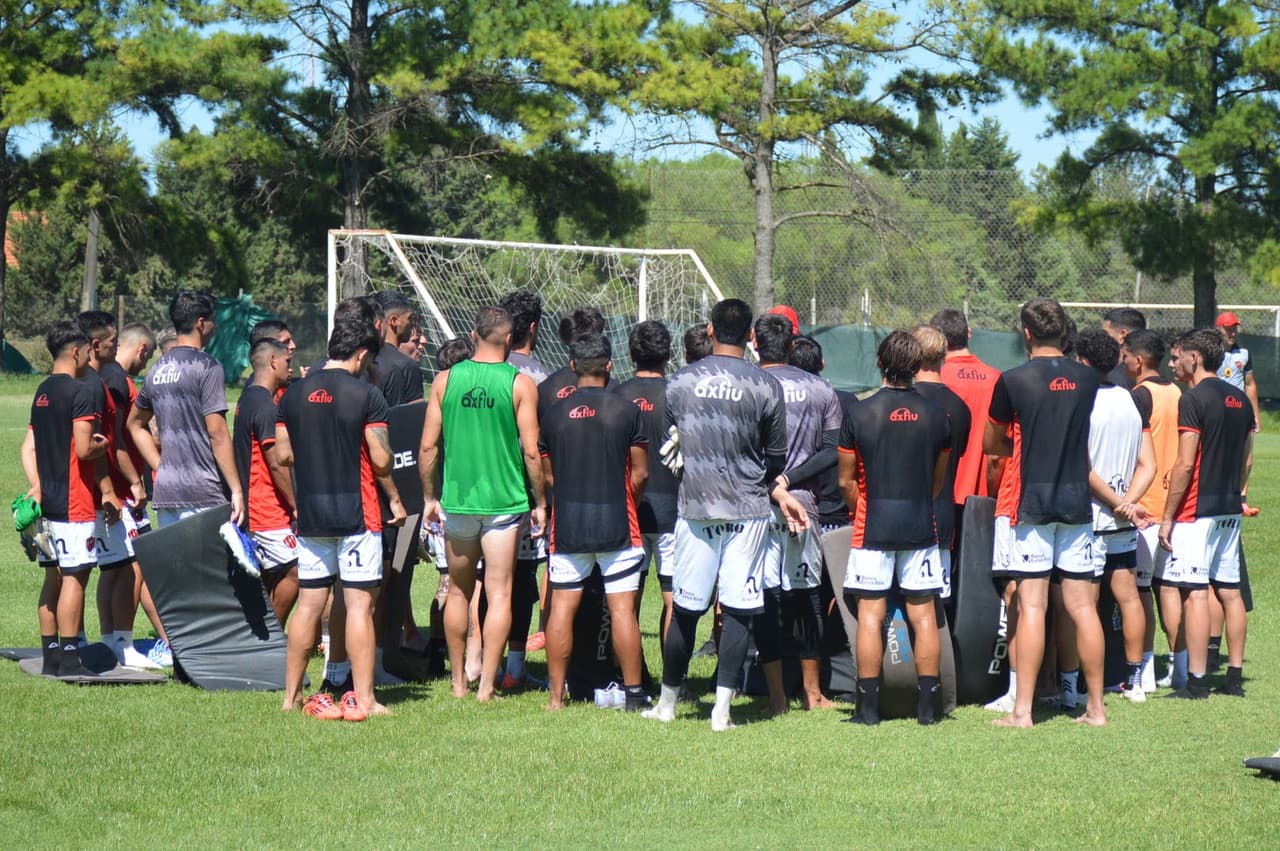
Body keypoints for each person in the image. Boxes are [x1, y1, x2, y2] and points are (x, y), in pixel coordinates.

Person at [641, 298, 807, 731]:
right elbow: (776, 457)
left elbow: (671, 445)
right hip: (748, 512)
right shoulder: (766, 385)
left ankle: (668, 704)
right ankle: (721, 711)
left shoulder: (679, 381)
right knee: (738, 609)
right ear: (751, 335)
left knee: (685, 611)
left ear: (710, 330)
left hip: (695, 508)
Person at [276, 320, 407, 721]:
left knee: (309, 605)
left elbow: (284, 455)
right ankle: (365, 699)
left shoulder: (292, 395)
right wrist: (396, 499)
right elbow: (382, 460)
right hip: (358, 512)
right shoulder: (366, 395)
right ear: (363, 354)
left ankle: (291, 697)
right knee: (358, 607)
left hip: (312, 514)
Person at [984, 297, 1103, 728]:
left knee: (1032, 606)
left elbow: (991, 444)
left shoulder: (1013, 380)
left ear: (1027, 333)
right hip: (1076, 502)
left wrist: (1023, 446)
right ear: (1064, 331)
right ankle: (1097, 709)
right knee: (1082, 608)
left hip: (1032, 502)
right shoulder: (1088, 379)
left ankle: (1023, 711)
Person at [420, 307, 546, 702]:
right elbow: (531, 452)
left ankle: (459, 681)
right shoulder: (521, 383)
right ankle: (487, 686)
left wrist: (429, 497)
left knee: (458, 592)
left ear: (473, 334)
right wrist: (539, 500)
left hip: (458, 502)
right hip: (505, 503)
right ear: (510, 339)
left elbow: (427, 446)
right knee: (501, 592)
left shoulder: (444, 379)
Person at [838, 331, 951, 726]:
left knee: (871, 615)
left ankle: (868, 710)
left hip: (873, 526)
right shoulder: (938, 415)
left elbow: (846, 482)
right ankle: (928, 710)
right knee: (924, 615)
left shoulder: (858, 412)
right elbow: (937, 480)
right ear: (918, 365)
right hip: (921, 523)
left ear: (880, 363)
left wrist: (864, 509)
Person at [540, 333, 650, 710]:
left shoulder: (552, 414)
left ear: (572, 367)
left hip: (568, 523)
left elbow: (548, 474)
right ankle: (634, 695)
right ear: (609, 366)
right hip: (618, 523)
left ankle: (556, 698)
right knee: (622, 610)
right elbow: (640, 475)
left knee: (561, 610)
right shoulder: (626, 410)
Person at [1159, 328, 1254, 699]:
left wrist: (1168, 516)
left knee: (1196, 593)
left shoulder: (1193, 399)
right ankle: (1233, 678)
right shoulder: (1239, 399)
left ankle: (1197, 682)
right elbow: (1247, 457)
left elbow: (1184, 464)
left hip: (1196, 511)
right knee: (1230, 591)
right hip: (1229, 506)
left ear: (1194, 358)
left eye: (1178, 356)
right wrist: (1238, 493)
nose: (1175, 362)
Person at [755, 314, 842, 712]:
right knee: (806, 596)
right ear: (792, 345)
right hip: (803, 507)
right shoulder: (821, 388)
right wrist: (790, 481)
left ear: (756, 345)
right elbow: (829, 452)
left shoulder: (748, 385)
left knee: (764, 597)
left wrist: (773, 485)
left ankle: (775, 697)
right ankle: (812, 693)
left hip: (754, 506)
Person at [20, 320, 116, 676]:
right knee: (75, 577)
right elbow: (83, 446)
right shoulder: (81, 392)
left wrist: (37, 485)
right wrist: (101, 443)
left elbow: (28, 447)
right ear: (76, 352)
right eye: (88, 351)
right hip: (74, 500)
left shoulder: (42, 391)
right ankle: (72, 658)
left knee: (52, 577)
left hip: (47, 501)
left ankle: (51, 659)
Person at [1070, 329, 1155, 703]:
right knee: (1129, 596)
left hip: (1091, 517)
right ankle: (1134, 681)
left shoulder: (1082, 401)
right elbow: (1148, 464)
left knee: (1083, 605)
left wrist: (1115, 502)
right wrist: (1129, 502)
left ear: (1083, 361)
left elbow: (1084, 469)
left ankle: (1078, 688)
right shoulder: (1129, 399)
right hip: (1121, 518)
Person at [77, 310, 156, 669]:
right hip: (114, 490)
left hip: (104, 488)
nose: (113, 344)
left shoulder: (94, 379)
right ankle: (123, 643)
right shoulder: (110, 383)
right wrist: (130, 484)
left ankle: (109, 640)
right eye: (109, 340)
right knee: (129, 565)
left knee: (112, 567)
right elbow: (112, 443)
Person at [126, 290, 244, 529]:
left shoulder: (156, 370)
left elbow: (134, 424)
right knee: (206, 567)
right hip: (203, 491)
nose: (217, 327)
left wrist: (160, 466)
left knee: (176, 566)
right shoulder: (207, 367)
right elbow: (217, 432)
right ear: (201, 323)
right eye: (214, 320)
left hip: (167, 492)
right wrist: (237, 490)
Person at [614, 321, 680, 645]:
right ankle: (673, 682)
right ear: (668, 354)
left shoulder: (616, 395)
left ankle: (631, 677)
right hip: (672, 509)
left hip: (629, 512)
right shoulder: (677, 395)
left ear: (631, 353)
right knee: (672, 598)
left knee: (628, 600)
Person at [1122, 329, 1180, 691]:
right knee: (1168, 589)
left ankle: (1143, 668)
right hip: (1172, 506)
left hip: (1145, 507)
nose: (1122, 360)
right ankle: (1177, 665)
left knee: (1141, 591)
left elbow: (1138, 454)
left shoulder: (1139, 396)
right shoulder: (1176, 391)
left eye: (1125, 354)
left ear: (1138, 359)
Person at [497, 289, 550, 678]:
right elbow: (538, 448)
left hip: (476, 491)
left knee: (481, 581)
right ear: (532, 328)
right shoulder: (540, 378)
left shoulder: (476, 370)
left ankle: (476, 662)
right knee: (520, 580)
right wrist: (544, 498)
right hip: (522, 493)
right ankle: (514, 665)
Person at [233, 337, 299, 626]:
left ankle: (264, 637)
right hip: (266, 507)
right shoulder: (265, 407)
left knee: (272, 573)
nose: (291, 368)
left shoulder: (247, 398)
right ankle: (273, 637)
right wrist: (296, 506)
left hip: (256, 505)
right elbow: (275, 462)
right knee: (296, 570)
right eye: (287, 362)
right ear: (273, 361)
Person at [910, 325, 971, 603]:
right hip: (943, 513)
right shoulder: (959, 406)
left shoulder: (903, 401)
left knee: (904, 604)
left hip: (903, 516)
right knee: (939, 605)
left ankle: (906, 650)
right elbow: (955, 456)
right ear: (944, 355)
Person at [790, 336, 858, 534]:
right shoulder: (848, 401)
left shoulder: (784, 401)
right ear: (822, 364)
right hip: (837, 513)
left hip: (795, 509)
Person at [1215, 311, 1259, 523]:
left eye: (1235, 328)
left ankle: (1242, 499)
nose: (1232, 332)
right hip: (1219, 412)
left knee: (1247, 459)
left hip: (1241, 412)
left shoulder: (1245, 354)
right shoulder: (1212, 353)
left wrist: (1255, 415)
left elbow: (1250, 384)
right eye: (1228, 328)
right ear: (1219, 329)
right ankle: (1220, 496)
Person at [1100, 307, 1146, 389]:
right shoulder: (1151, 374)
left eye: (1105, 334)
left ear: (1122, 335)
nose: (1102, 338)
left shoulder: (1113, 379)